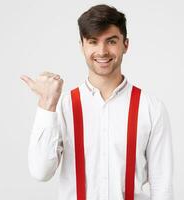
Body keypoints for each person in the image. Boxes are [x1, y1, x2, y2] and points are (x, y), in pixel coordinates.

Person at [20, 4, 173, 200]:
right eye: (93, 42)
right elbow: (41, 172)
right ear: (82, 46)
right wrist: (47, 103)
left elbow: (162, 185)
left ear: (125, 44)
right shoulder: (62, 105)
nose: (102, 51)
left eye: (111, 41)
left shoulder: (151, 108)